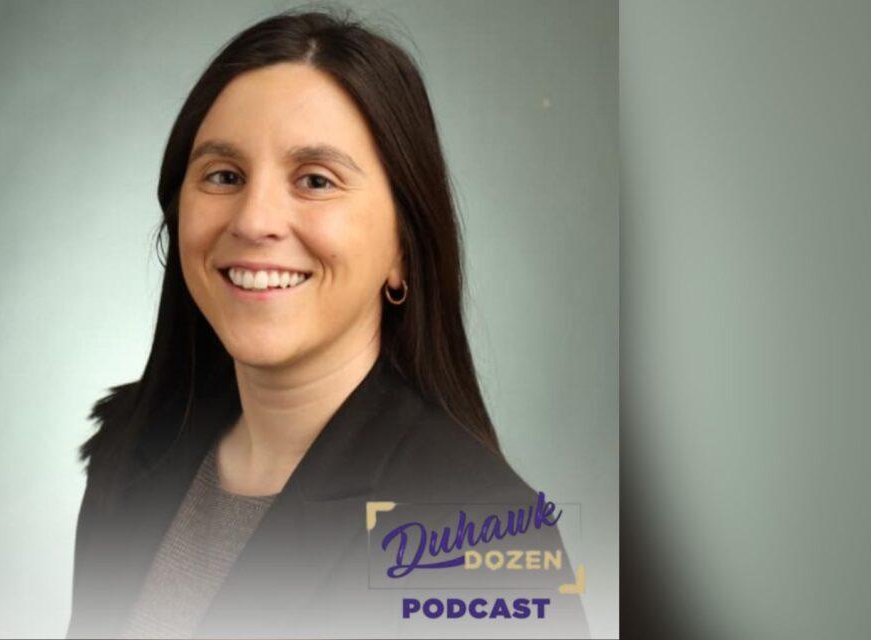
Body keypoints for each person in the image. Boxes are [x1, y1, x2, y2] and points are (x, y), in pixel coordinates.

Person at [66, 9, 588, 639]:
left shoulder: (473, 534)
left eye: (315, 180)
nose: (254, 220)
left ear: (403, 246)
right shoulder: (131, 453)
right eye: (223, 176)